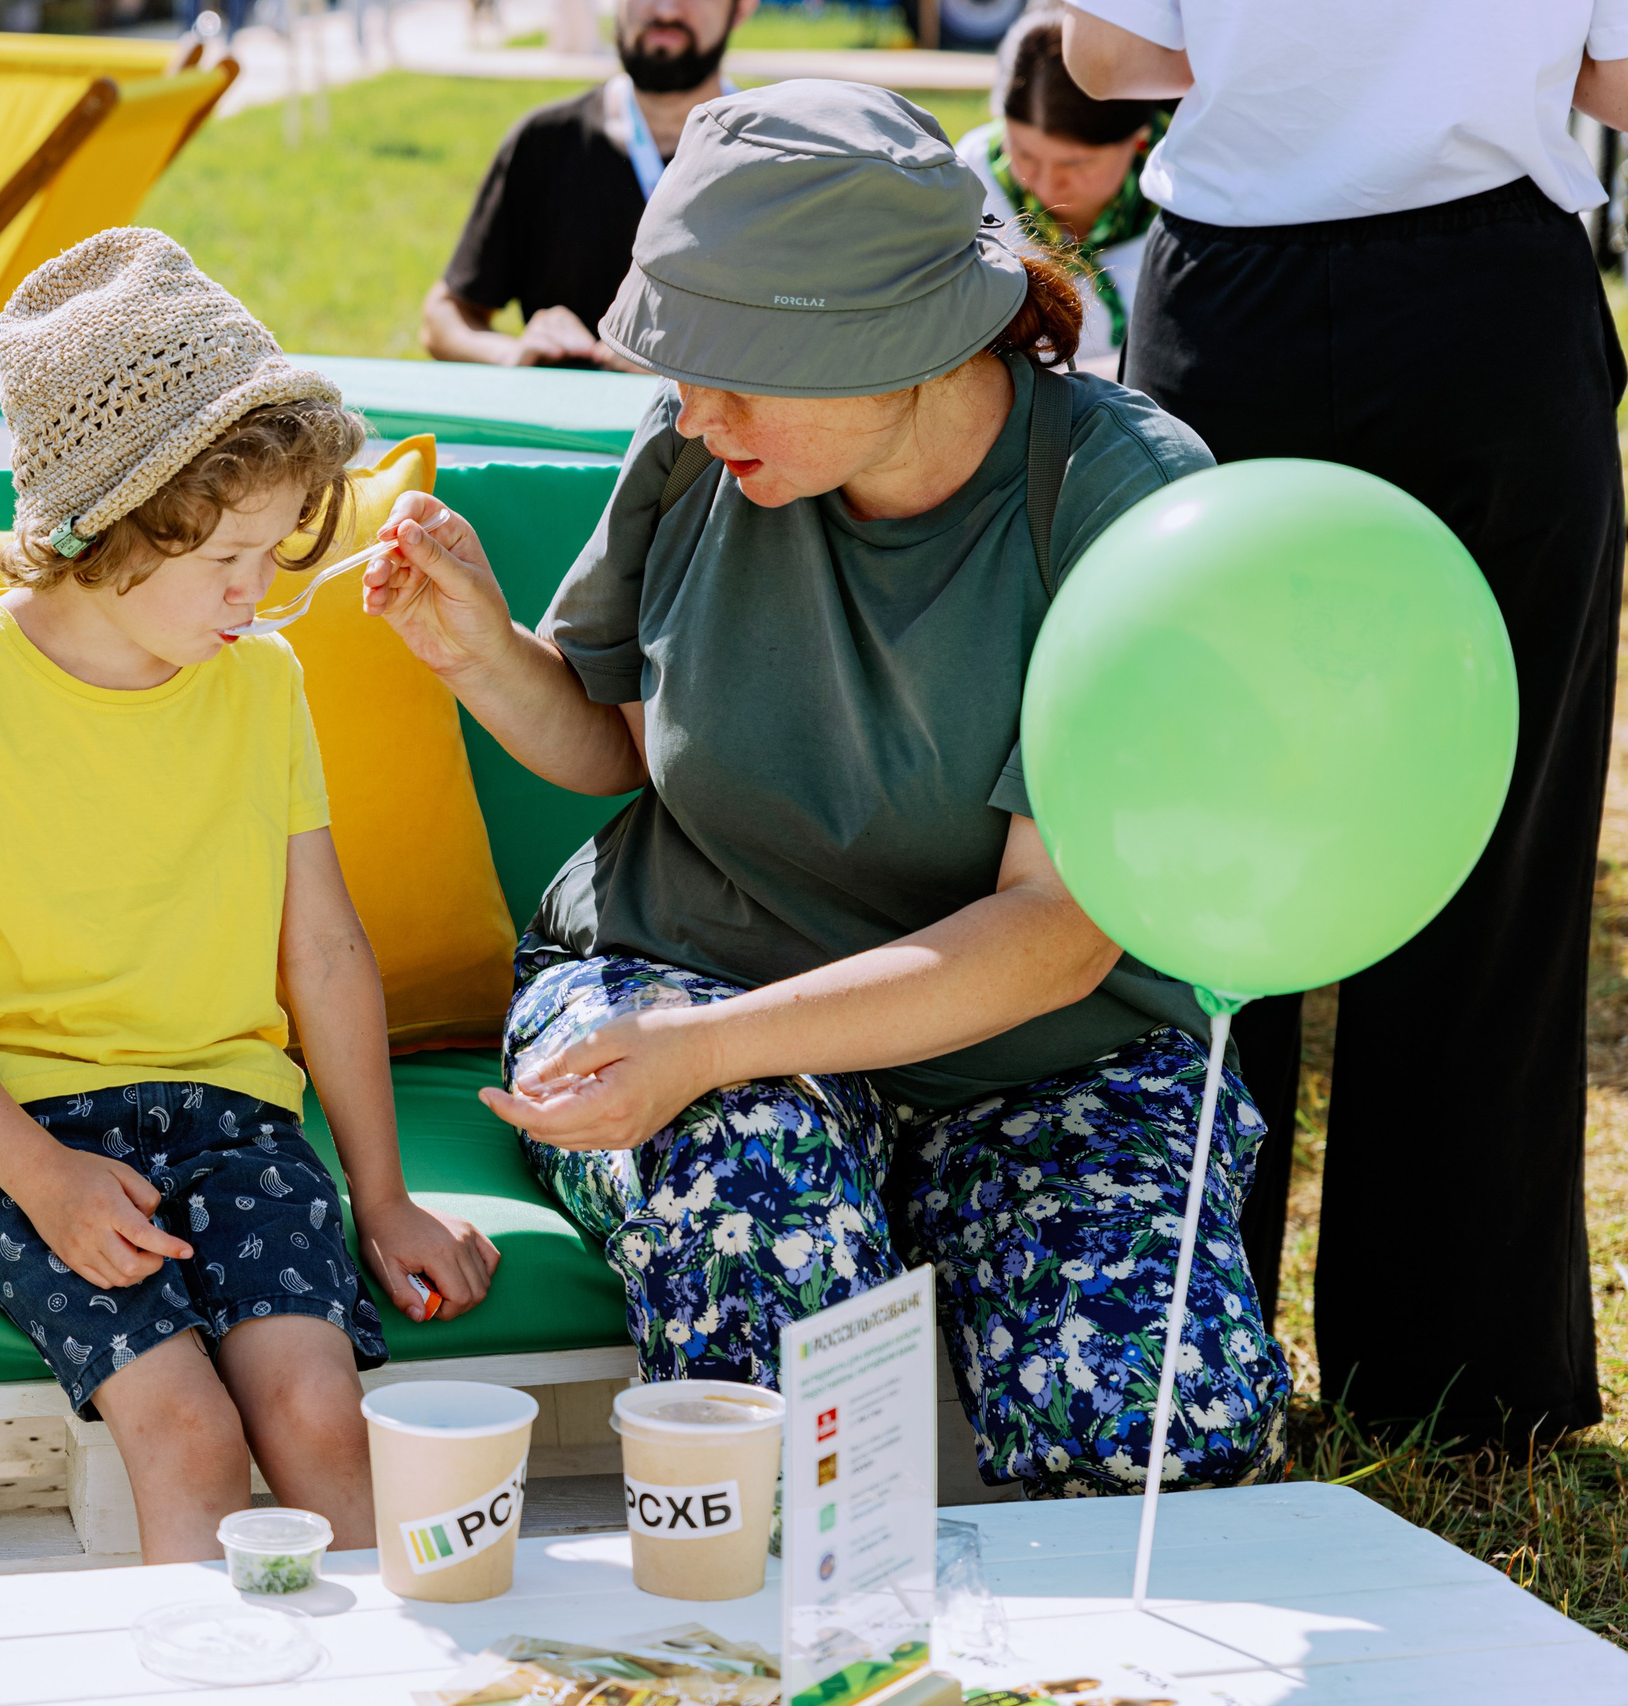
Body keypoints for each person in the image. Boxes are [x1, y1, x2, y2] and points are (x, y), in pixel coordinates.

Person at [362, 82, 1292, 1499]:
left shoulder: (1126, 499)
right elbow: (619, 746)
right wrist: (478, 651)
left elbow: (1058, 930)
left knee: (1159, 1442)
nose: (695, 409)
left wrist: (709, 1047)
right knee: (758, 1239)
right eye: (683, 365)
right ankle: (772, 1605)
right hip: (681, 967)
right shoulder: (696, 443)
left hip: (1042, 1051)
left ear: (897, 344)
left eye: (737, 372)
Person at [0, 229, 500, 1562]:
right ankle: (210, 1658)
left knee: (317, 1411)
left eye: (274, 553)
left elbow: (325, 950)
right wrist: (43, 1178)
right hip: (21, 1122)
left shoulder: (263, 680)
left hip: (233, 1113)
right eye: (224, 559)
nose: (256, 595)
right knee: (187, 1430)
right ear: (101, 527)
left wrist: (383, 1196)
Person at [1065, 2, 1623, 1449]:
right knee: (1487, 831)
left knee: (1186, 838)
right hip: (1490, 311)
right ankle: (1464, 1370)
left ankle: (1178, 1348)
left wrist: (1282, 65)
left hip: (1229, 305)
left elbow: (1100, 58)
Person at [423, 0, 753, 368]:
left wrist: (687, 369)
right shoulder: (544, 142)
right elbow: (444, 315)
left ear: (743, 7)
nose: (665, 10)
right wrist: (512, 354)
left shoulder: (782, 160)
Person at [954, 7, 1164, 379]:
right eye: (1024, 155)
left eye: (1076, 164)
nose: (1048, 185)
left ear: (1139, 138)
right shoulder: (970, 179)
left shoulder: (1184, 188)